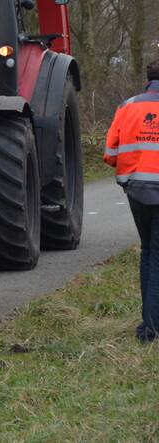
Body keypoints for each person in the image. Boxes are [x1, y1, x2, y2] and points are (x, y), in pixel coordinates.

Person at [104, 58, 159, 343]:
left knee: (148, 251)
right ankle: (150, 329)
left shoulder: (128, 107)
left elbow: (110, 152)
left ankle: (148, 325)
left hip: (137, 190)